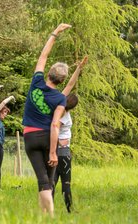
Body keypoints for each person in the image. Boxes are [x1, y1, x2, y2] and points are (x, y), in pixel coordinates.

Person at [22, 23, 72, 217]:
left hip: (29, 137)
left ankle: (44, 218)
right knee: (47, 182)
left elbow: (43, 56)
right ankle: (51, 219)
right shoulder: (60, 98)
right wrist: (53, 151)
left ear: (49, 73)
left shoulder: (36, 83)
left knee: (43, 182)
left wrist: (55, 33)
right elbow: (55, 124)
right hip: (48, 138)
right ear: (61, 80)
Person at [53, 56, 88, 213]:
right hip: (63, 151)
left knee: (53, 181)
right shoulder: (63, 116)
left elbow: (69, 85)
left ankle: (49, 210)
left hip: (55, 151)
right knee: (65, 183)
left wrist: (79, 69)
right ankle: (69, 209)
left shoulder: (58, 109)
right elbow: (56, 129)